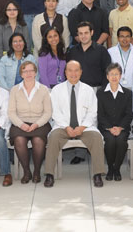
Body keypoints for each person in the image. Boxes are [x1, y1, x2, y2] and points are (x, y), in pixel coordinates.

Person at [44, 60, 105, 188]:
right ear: (65, 72)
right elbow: (55, 112)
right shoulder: (56, 90)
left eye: (76, 70)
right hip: (62, 126)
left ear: (81, 72)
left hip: (84, 127)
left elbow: (93, 112)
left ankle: (97, 174)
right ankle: (49, 174)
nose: (73, 73)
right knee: (53, 137)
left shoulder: (88, 90)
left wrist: (82, 127)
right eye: (70, 70)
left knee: (96, 137)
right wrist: (66, 127)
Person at [8, 61, 52, 183]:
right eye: (25, 71)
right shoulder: (14, 90)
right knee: (19, 140)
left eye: (31, 70)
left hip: (40, 123)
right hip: (20, 122)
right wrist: (21, 124)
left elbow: (48, 112)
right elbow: (11, 112)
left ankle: (37, 171)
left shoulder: (43, 89)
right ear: (21, 74)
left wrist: (36, 124)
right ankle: (27, 171)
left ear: (35, 73)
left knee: (38, 140)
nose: (28, 73)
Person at [97, 63, 133, 181]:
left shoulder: (127, 93)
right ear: (107, 76)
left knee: (122, 141)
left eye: (116, 74)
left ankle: (116, 168)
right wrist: (109, 128)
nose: (114, 77)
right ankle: (110, 168)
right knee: (111, 141)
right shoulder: (101, 92)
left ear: (120, 76)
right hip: (106, 127)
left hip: (122, 127)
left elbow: (129, 114)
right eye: (111, 74)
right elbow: (100, 114)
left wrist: (120, 127)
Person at [66, 21, 111, 89]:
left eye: (86, 33)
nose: (83, 36)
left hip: (96, 89)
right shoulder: (72, 52)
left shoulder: (101, 51)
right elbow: (67, 71)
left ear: (91, 32)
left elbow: (108, 71)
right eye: (80, 33)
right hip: (77, 89)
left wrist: (103, 90)